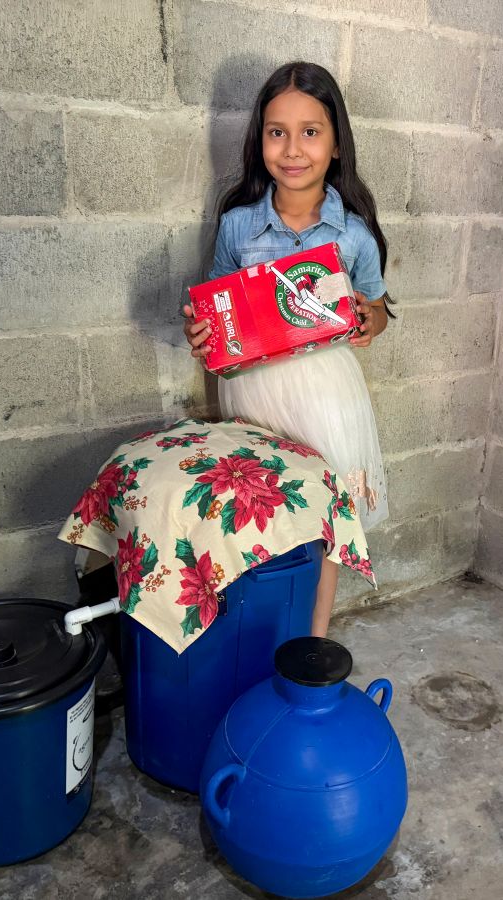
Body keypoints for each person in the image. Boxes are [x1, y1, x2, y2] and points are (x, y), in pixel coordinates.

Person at [181, 61, 394, 639]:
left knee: (326, 515)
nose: (293, 149)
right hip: (254, 395)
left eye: (310, 131)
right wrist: (200, 329)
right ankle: (257, 631)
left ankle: (313, 638)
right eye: (277, 132)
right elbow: (215, 312)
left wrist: (366, 316)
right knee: (262, 511)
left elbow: (376, 311)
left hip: (325, 395)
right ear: (259, 142)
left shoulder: (352, 234)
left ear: (336, 142)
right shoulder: (237, 226)